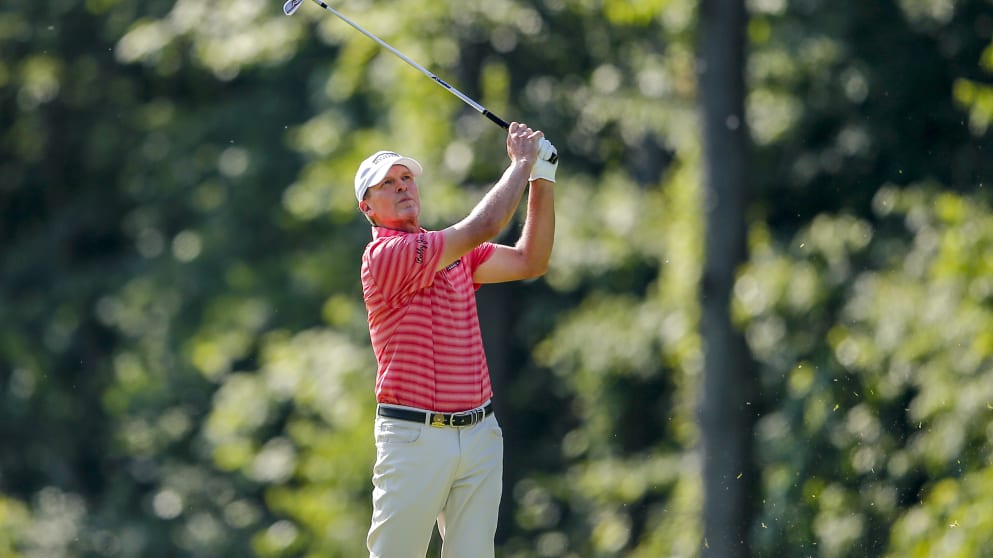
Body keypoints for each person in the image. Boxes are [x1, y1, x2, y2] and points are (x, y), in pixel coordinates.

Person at [355, 121, 558, 558]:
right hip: (414, 437)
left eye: (406, 178)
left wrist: (543, 177)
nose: (402, 186)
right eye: (387, 183)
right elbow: (486, 223)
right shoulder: (383, 256)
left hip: (480, 433)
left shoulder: (452, 254)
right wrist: (522, 162)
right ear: (367, 207)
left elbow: (531, 260)